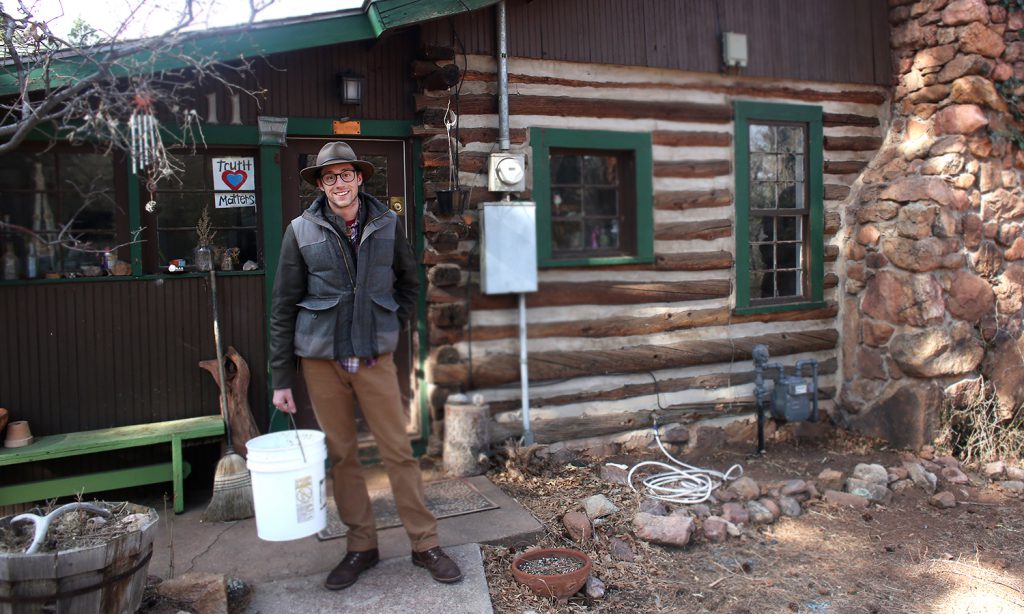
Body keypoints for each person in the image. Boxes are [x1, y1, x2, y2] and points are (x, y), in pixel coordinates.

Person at [269, 141, 462, 590]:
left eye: (346, 175)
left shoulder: (388, 223)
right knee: (343, 456)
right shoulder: (300, 229)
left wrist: (390, 328)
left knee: (398, 450)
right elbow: (282, 306)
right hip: (321, 359)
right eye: (330, 177)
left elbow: (410, 283)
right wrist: (281, 377)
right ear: (320, 184)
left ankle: (425, 543)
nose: (340, 183)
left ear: (360, 178)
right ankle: (361, 546)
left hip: (373, 357)